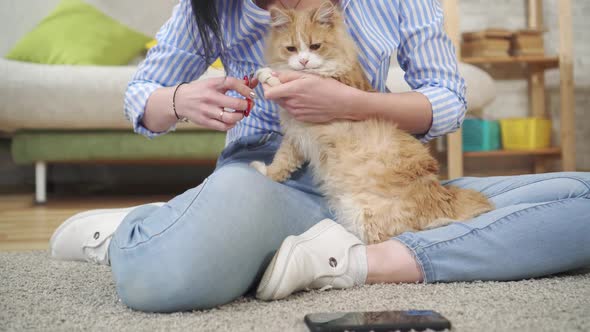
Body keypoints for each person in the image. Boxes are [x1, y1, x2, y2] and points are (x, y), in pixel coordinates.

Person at [50, 0, 590, 312]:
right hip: (270, 175)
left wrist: (351, 102)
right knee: (158, 279)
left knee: (581, 200)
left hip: (379, 173)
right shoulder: (212, 9)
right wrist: (177, 99)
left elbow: (449, 100)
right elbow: (139, 96)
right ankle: (151, 226)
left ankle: (357, 259)